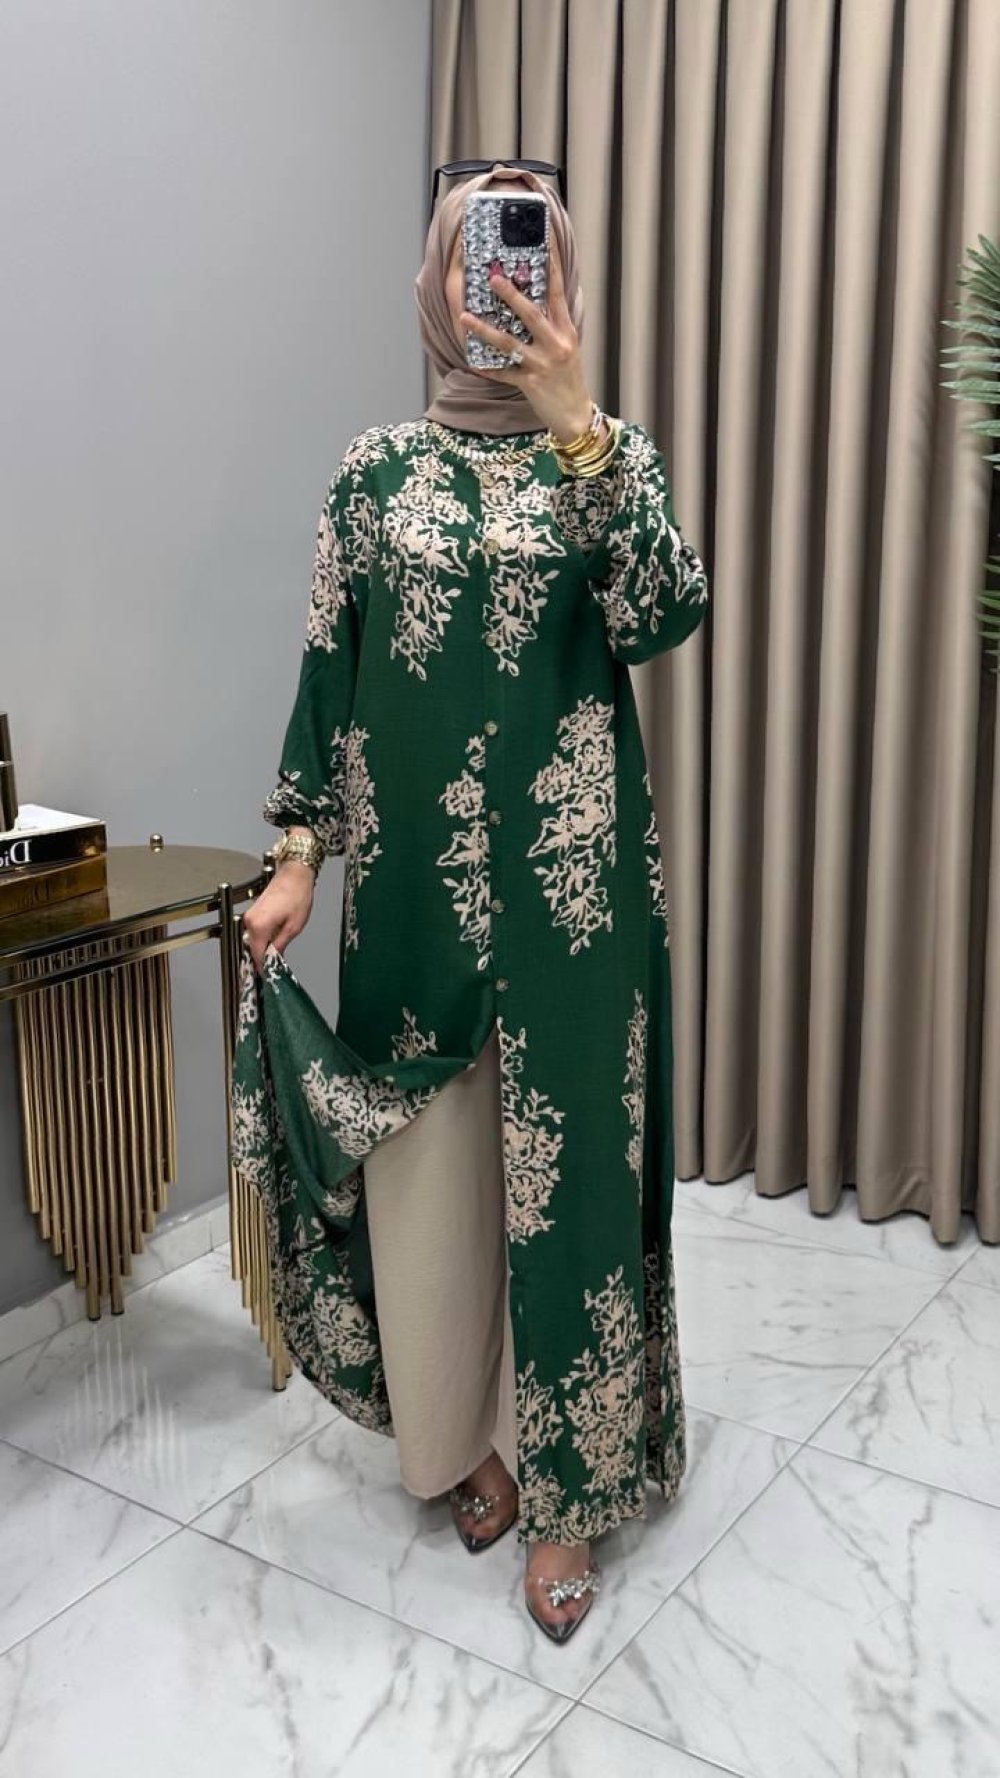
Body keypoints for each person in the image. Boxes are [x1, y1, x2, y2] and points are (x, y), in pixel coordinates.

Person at [234, 161, 709, 1644]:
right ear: (437, 282)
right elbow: (331, 666)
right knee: (433, 1180)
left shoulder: (605, 455)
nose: (498, 280)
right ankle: (468, 1438)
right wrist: (299, 853)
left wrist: (580, 423)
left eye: (528, 250)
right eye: (474, 254)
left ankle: (573, 1491)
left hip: (576, 890)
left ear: (562, 276)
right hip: (416, 894)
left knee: (571, 1187)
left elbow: (668, 613)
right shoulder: (372, 474)